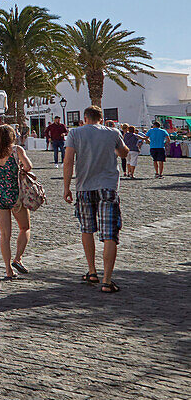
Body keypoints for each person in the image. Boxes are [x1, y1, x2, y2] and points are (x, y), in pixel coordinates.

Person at [63, 106, 129, 293]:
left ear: (85, 118)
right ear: (101, 118)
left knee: (87, 229)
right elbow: (124, 152)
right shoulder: (113, 132)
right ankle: (107, 280)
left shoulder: (75, 133)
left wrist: (66, 187)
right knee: (110, 233)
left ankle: (92, 271)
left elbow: (68, 161)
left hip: (84, 187)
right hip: (107, 186)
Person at [0, 124, 34, 279]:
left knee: (5, 235)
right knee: (24, 227)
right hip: (15, 193)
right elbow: (29, 166)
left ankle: (8, 270)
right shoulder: (16, 150)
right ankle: (17, 258)